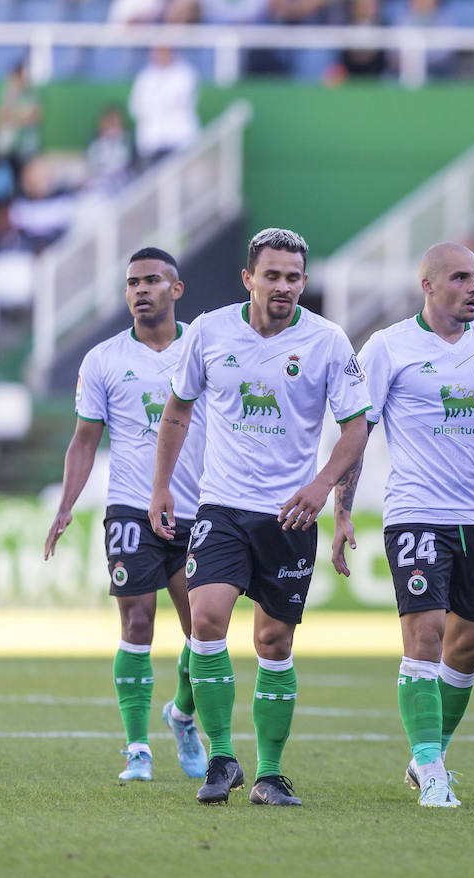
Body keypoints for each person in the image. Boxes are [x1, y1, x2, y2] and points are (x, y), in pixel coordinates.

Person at [149, 228, 371, 807]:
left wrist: (323, 487)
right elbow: (177, 409)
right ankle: (222, 760)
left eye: (294, 277)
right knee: (206, 619)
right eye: (271, 275)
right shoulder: (208, 331)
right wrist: (162, 488)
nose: (283, 287)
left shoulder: (327, 341)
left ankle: (271, 774)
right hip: (220, 505)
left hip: (289, 517)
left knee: (274, 642)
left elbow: (356, 427)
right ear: (248, 278)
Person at [331, 242, 474, 807]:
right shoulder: (388, 347)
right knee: (424, 635)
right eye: (461, 277)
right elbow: (359, 433)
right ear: (427, 285)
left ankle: (427, 753)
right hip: (414, 514)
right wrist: (341, 510)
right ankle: (433, 773)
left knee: (468, 646)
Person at [44, 247, 209, 784]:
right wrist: (67, 503)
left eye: (153, 281)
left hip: (198, 508)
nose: (141, 290)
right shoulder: (103, 360)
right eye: (133, 282)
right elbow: (84, 440)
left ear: (176, 290)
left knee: (202, 630)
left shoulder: (205, 350)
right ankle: (137, 747)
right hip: (130, 509)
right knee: (137, 621)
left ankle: (183, 716)